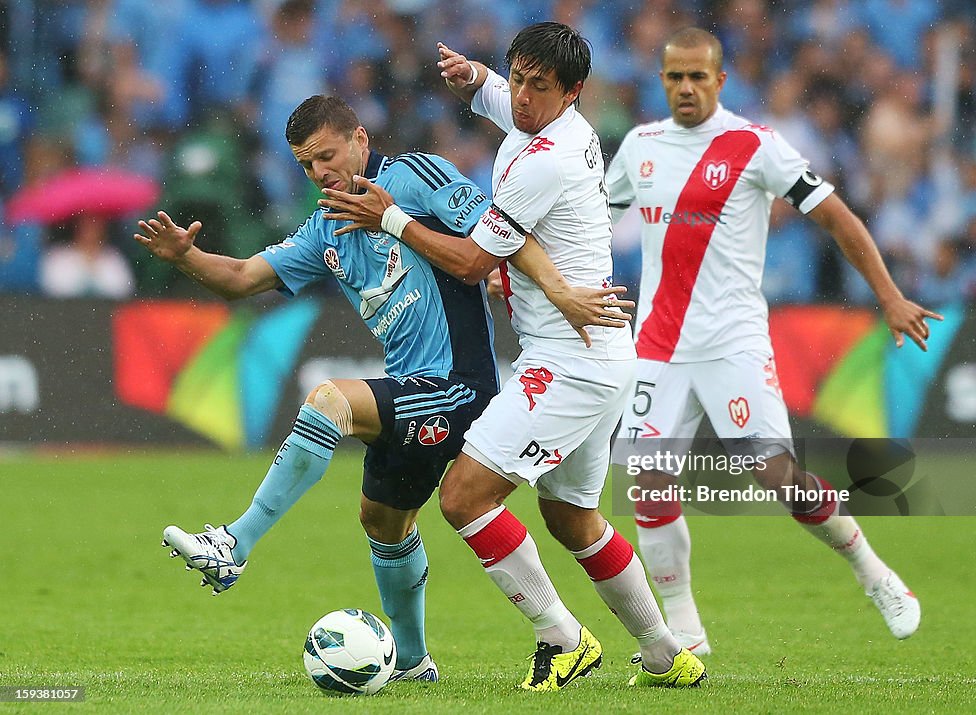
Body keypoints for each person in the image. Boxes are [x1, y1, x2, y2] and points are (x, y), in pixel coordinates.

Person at [137, 94, 617, 683]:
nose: (319, 174)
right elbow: (240, 278)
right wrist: (187, 257)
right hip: (409, 387)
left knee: (329, 401)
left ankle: (234, 546)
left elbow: (505, 234)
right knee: (383, 522)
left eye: (326, 156)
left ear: (361, 140)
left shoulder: (416, 176)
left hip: (457, 385)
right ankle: (414, 664)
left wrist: (557, 290)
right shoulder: (326, 227)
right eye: (306, 165)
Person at [324, 22, 707, 691]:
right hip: (598, 353)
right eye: (519, 78)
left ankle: (561, 636)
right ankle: (664, 653)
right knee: (571, 515)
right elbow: (498, 95)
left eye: (540, 86)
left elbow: (473, 262)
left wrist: (391, 218)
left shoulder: (547, 161)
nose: (524, 97)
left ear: (573, 94)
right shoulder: (551, 115)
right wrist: (475, 77)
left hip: (568, 358)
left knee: (465, 495)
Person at [605, 27, 943, 653]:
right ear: (662, 80)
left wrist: (889, 296)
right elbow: (590, 225)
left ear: (720, 80)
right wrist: (530, 281)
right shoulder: (638, 146)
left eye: (697, 77)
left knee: (779, 478)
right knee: (649, 485)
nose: (685, 88)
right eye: (674, 77)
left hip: (734, 342)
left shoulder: (756, 147)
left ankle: (875, 573)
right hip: (656, 345)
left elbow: (838, 218)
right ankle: (685, 630)